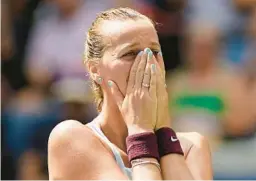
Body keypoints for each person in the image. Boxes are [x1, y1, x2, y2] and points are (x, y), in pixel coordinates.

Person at [48, 7, 212, 180]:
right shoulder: (71, 139)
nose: (147, 63)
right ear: (94, 69)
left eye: (154, 52)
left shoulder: (193, 146)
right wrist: (140, 131)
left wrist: (164, 131)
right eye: (130, 54)